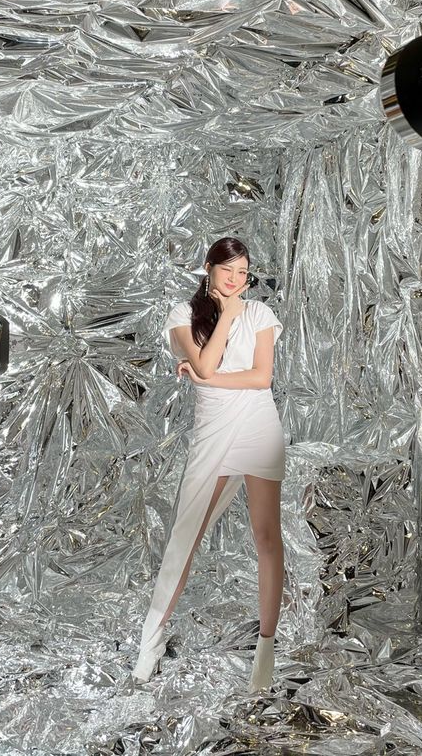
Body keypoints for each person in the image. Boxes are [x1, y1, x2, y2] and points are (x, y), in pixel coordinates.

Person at [132, 236, 285, 693]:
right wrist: (226, 321)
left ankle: (266, 649)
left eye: (244, 273)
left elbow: (261, 378)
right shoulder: (183, 315)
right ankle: (150, 644)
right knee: (186, 537)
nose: (237, 281)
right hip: (213, 430)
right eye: (227, 272)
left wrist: (205, 375)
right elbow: (202, 357)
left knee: (266, 536)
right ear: (208, 269)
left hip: (259, 425)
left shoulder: (259, 313)